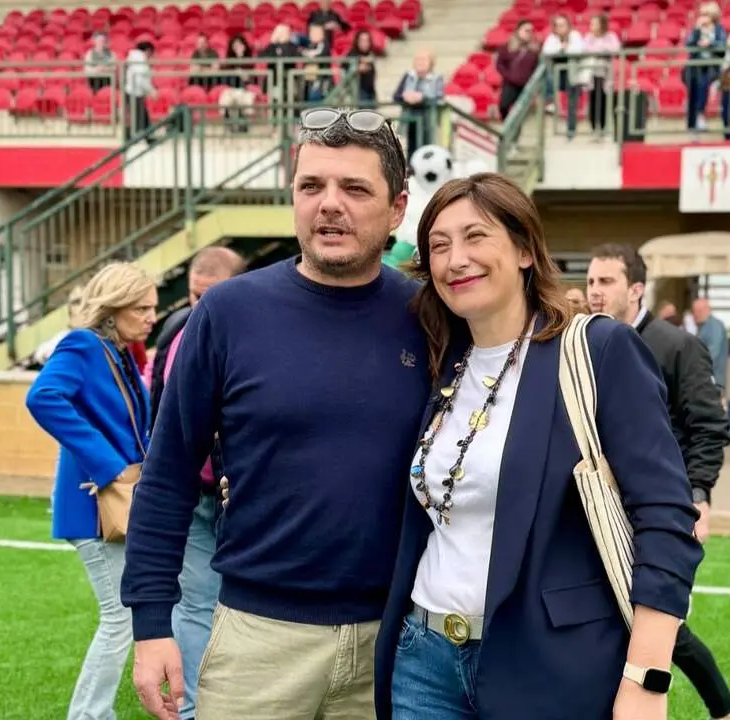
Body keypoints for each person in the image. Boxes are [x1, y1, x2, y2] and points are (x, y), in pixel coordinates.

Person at [121, 108, 428, 720]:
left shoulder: (432, 316)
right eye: (311, 186)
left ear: (397, 209)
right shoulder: (229, 312)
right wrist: (151, 622)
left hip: (396, 640)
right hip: (256, 639)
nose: (329, 205)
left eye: (354, 188)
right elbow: (168, 475)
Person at [374, 174, 701, 719]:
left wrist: (647, 677)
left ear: (525, 248)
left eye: (476, 236)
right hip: (423, 660)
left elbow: (667, 518)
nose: (456, 259)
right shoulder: (440, 360)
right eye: (439, 245)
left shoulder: (596, 349)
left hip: (549, 664)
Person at [586, 243, 730, 720]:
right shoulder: (581, 342)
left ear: (636, 289)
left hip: (656, 510)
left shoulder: (677, 346)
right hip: (596, 509)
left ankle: (726, 711)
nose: (595, 292)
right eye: (591, 282)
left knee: (661, 623)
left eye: (606, 282)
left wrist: (698, 496)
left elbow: (709, 428)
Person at [24, 262, 157, 720]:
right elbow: (42, 398)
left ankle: (92, 713)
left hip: (113, 499)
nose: (151, 317)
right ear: (114, 307)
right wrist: (106, 465)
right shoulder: (84, 345)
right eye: (142, 308)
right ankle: (88, 715)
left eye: (153, 308)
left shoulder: (115, 350)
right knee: (119, 617)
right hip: (94, 504)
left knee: (124, 616)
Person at [141, 246, 246, 720]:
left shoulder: (246, 329)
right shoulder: (176, 331)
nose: (202, 305)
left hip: (233, 494)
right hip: (192, 494)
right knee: (198, 604)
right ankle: (193, 709)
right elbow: (161, 415)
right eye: (195, 295)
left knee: (234, 606)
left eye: (212, 295)